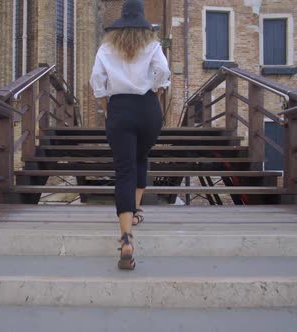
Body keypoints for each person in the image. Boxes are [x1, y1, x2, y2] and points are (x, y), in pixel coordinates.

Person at [90, 0, 171, 270]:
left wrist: (107, 108)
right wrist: (156, 92)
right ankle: (134, 213)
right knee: (141, 159)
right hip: (148, 107)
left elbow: (97, 82)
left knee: (124, 169)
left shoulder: (106, 48)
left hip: (119, 108)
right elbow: (164, 72)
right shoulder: (152, 45)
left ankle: (126, 238)